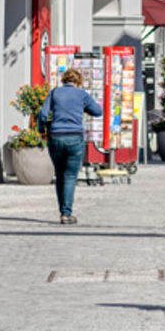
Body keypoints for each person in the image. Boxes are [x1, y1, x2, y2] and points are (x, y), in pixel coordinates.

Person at [40, 67, 102, 225]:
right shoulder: (82, 94)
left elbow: (42, 114)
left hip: (55, 137)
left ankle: (62, 211)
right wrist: (84, 107)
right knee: (69, 177)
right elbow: (98, 111)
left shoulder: (54, 93)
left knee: (60, 175)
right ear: (78, 81)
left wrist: (42, 131)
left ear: (64, 80)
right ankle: (66, 215)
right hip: (75, 138)